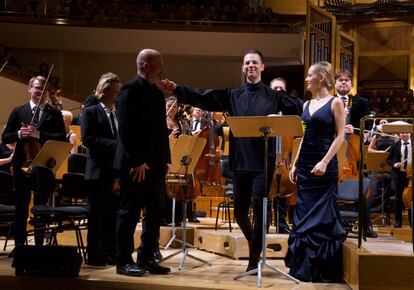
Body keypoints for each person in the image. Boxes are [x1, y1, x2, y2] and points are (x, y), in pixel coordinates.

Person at [157, 49, 302, 272]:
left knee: (260, 208)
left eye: (255, 62)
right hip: (240, 161)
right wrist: (178, 89)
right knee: (239, 212)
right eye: (247, 63)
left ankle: (254, 258)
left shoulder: (274, 97)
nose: (251, 66)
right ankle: (256, 244)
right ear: (243, 68)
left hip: (263, 163)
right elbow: (204, 97)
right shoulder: (233, 94)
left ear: (262, 67)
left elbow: (302, 108)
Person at [285, 61, 346, 282]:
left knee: (322, 216)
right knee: (303, 212)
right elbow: (303, 137)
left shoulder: (336, 102)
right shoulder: (304, 105)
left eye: (310, 75)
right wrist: (294, 163)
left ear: (321, 77)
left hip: (324, 167)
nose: (306, 79)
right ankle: (303, 268)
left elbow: (340, 136)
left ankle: (324, 270)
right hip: (305, 166)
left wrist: (324, 162)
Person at [113, 49, 171, 276]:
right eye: (159, 64)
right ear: (146, 66)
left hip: (155, 165)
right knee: (129, 212)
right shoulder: (129, 90)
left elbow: (160, 131)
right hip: (134, 164)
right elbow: (126, 129)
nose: (162, 68)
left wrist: (166, 158)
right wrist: (138, 160)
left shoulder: (156, 94)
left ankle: (146, 257)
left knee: (155, 211)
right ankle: (123, 260)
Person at [2, 75, 66, 247]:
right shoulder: (18, 111)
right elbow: (5, 136)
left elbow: (62, 138)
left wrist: (39, 135)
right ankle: (20, 246)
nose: (40, 91)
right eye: (37, 88)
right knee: (21, 207)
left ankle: (39, 246)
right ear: (29, 89)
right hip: (20, 164)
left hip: (43, 166)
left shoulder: (54, 113)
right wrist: (18, 134)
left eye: (44, 89)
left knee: (41, 206)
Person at [82, 72, 122, 266]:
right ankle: (94, 255)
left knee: (112, 216)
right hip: (97, 171)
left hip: (114, 171)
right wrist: (116, 144)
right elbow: (88, 139)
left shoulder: (117, 113)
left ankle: (109, 253)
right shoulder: (91, 111)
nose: (119, 96)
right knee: (97, 216)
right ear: (105, 91)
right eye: (116, 92)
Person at [334, 69, 377, 238]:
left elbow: (369, 125)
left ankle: (366, 225)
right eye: (340, 80)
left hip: (354, 153)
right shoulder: (329, 101)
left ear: (351, 84)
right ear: (335, 83)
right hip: (335, 153)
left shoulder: (361, 102)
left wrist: (356, 129)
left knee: (364, 188)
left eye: (347, 80)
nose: (344, 82)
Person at [269, 77, 293, 234]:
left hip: (284, 161)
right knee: (265, 192)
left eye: (281, 89)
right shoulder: (264, 110)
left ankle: (281, 224)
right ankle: (263, 224)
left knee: (284, 192)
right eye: (275, 89)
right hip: (268, 159)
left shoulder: (290, 111)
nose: (278, 91)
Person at [387, 132, 412, 228]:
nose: (405, 134)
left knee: (411, 199)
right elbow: (388, 160)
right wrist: (394, 164)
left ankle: (412, 222)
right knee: (398, 199)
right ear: (400, 134)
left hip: (411, 175)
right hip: (399, 175)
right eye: (403, 133)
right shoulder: (394, 145)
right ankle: (398, 222)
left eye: (407, 132)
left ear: (410, 133)